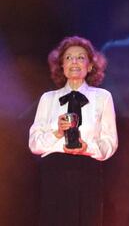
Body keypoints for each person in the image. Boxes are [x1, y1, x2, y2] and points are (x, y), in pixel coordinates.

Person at [29, 36, 118, 226]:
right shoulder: (48, 98)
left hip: (88, 171)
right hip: (54, 173)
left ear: (91, 65)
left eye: (80, 57)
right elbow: (34, 143)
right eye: (68, 58)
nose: (74, 62)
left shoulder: (103, 97)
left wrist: (88, 147)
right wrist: (57, 133)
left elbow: (110, 142)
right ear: (61, 65)